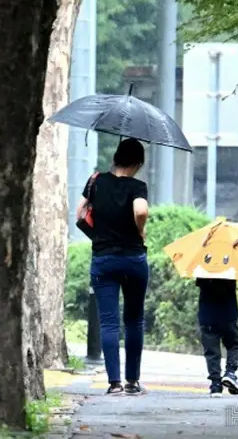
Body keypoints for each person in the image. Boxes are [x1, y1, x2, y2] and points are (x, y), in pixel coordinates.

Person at [77, 138, 149, 395]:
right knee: (134, 321)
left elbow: (79, 214)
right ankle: (132, 381)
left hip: (103, 260)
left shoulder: (96, 181)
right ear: (137, 163)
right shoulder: (137, 186)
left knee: (109, 323)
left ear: (116, 157)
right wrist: (140, 231)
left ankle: (114, 383)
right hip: (133, 259)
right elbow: (140, 210)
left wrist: (98, 238)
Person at [196, 277, 238, 397]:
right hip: (228, 312)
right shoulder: (231, 264)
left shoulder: (202, 265)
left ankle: (216, 384)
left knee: (212, 351)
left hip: (207, 313)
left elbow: (200, 283)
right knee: (233, 344)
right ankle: (230, 373)